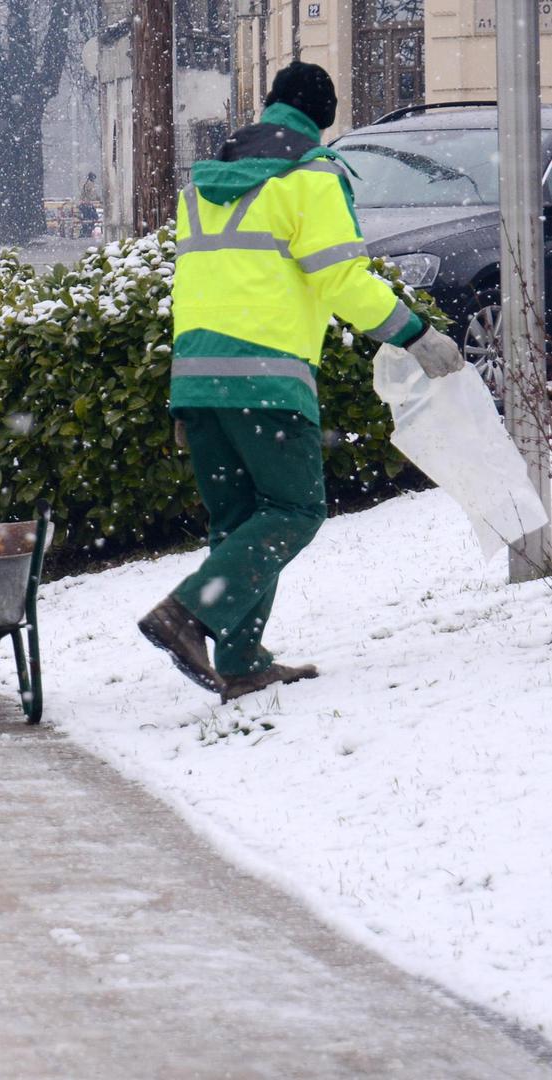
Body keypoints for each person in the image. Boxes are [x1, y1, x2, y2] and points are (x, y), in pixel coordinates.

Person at [138, 61, 464, 702]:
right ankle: (188, 613)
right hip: (267, 376)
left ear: (269, 106)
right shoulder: (312, 177)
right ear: (324, 118)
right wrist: (414, 333)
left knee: (239, 520)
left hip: (197, 377)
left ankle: (240, 662)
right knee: (295, 509)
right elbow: (341, 278)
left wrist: (191, 392)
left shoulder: (203, 183)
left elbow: (197, 285)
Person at [77, 171, 100, 237]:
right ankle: (87, 231)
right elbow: (92, 195)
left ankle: (85, 232)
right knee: (92, 217)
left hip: (85, 204)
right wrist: (98, 199)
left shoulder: (87, 184)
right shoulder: (90, 184)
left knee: (88, 218)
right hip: (87, 205)